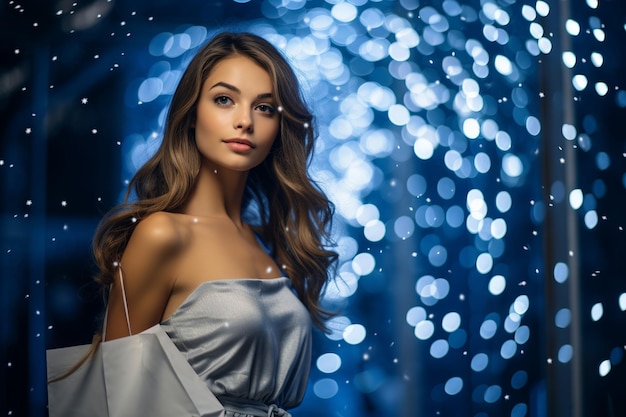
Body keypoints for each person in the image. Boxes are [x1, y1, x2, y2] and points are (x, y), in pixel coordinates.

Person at [92, 32, 337, 416]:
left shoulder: (270, 243)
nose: (244, 121)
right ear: (191, 115)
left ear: (279, 127)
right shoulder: (163, 235)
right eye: (224, 99)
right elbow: (113, 399)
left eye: (265, 108)